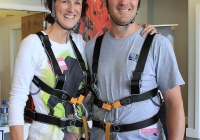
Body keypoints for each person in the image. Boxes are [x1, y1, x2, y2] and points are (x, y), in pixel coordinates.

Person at [8, 0, 157, 140]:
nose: (71, 9)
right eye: (65, 1)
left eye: (77, 2)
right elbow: (17, 99)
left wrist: (143, 36)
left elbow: (112, 60)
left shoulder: (82, 44)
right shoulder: (33, 44)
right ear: (53, 5)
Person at [85, 0, 185, 140]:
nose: (124, 2)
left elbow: (174, 103)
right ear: (106, 3)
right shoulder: (91, 48)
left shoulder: (158, 45)